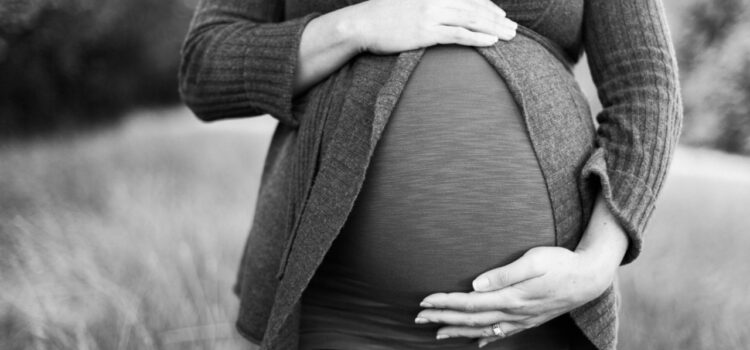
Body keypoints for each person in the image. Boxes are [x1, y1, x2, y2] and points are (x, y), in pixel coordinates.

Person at [178, 0, 682, 349]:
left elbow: (647, 86)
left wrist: (594, 265)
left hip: (538, 314)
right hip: (335, 309)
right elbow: (206, 66)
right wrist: (358, 24)